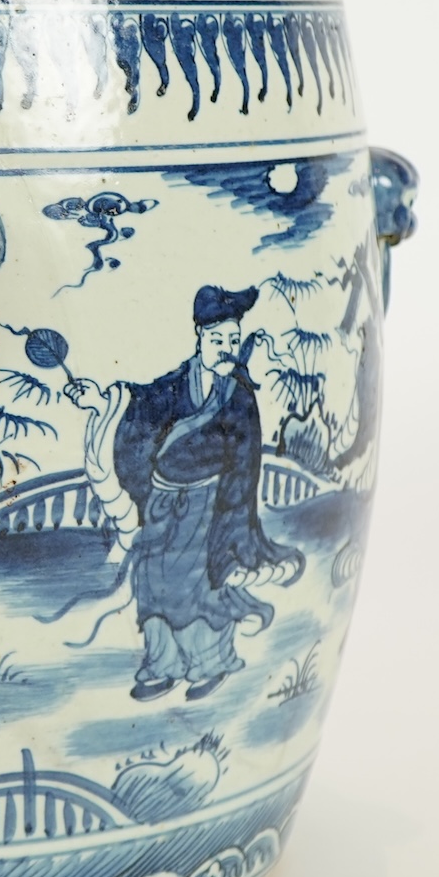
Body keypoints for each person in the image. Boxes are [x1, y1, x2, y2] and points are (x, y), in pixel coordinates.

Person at [66, 283, 303, 701]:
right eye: (217, 340)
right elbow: (141, 403)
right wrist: (100, 402)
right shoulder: (178, 384)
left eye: (232, 340)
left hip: (206, 504)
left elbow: (245, 462)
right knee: (150, 580)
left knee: (197, 584)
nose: (226, 348)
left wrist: (233, 520)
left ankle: (210, 662)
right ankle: (163, 665)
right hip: (162, 501)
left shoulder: (238, 396)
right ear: (200, 337)